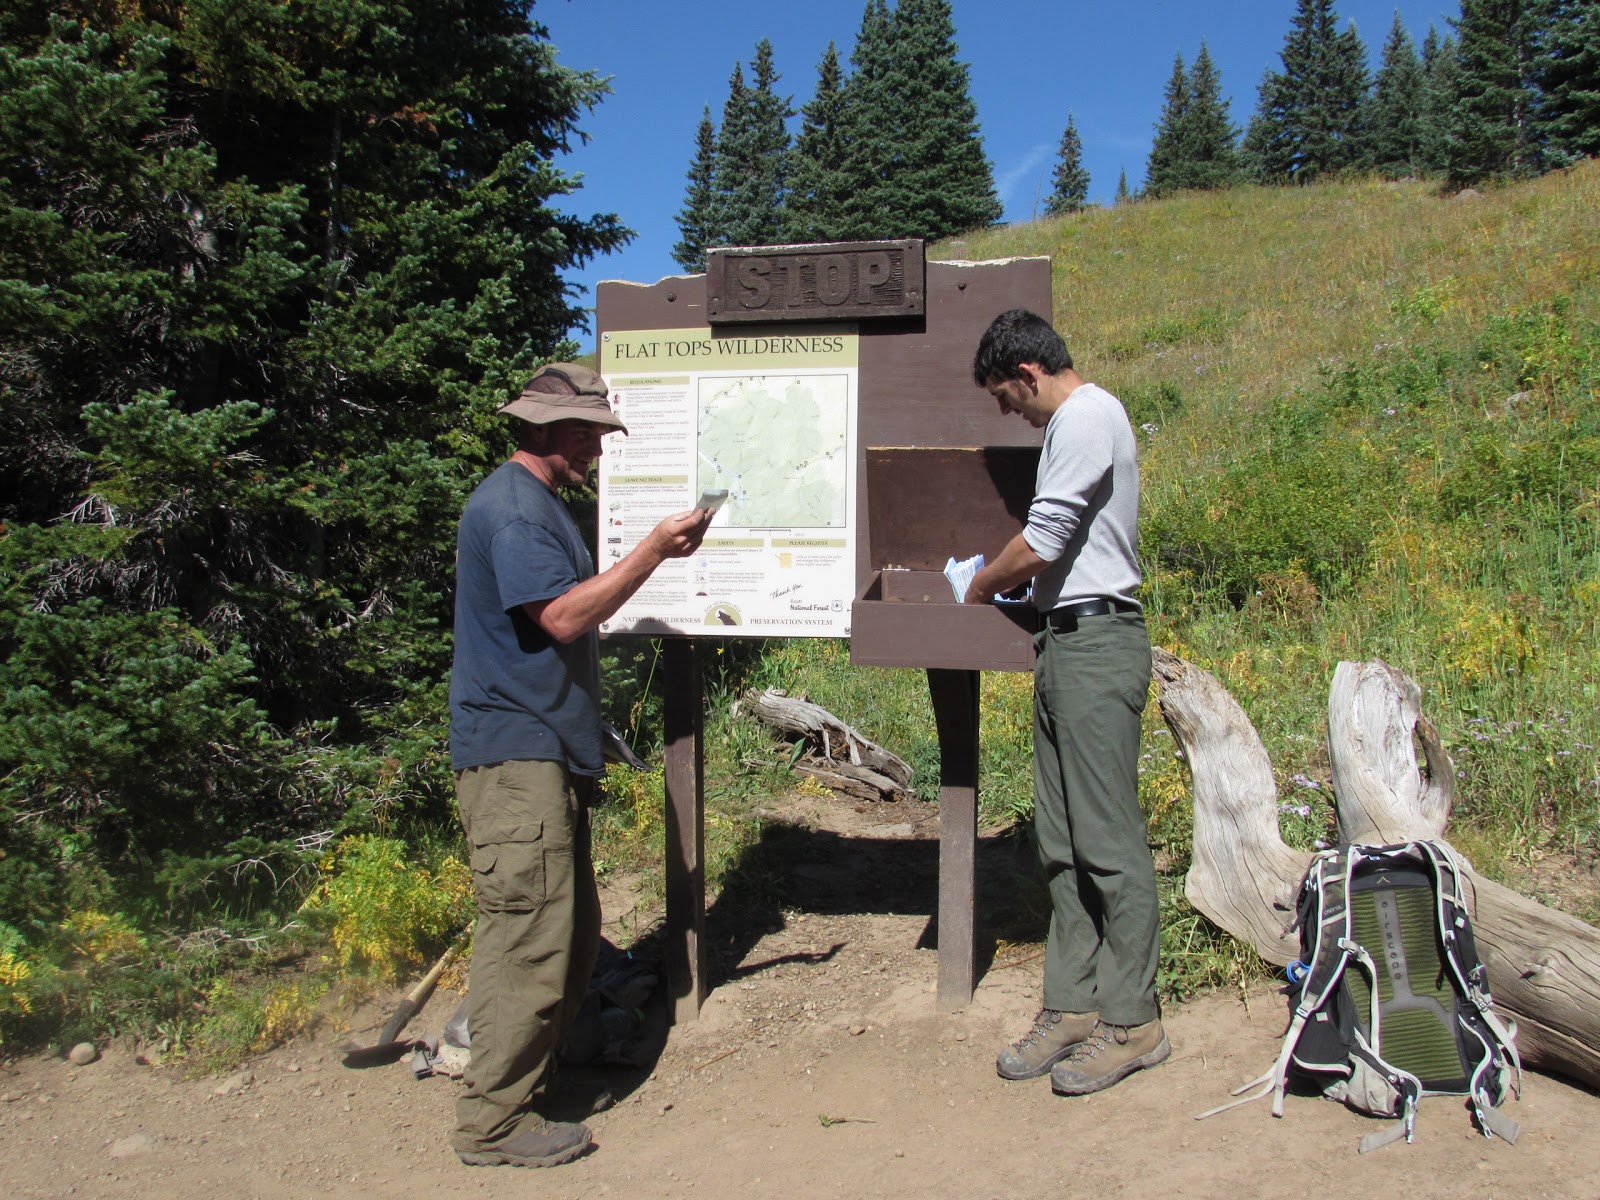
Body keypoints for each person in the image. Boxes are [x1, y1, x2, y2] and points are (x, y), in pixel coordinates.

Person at [448, 363, 711, 1167]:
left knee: (567, 931)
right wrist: (654, 553)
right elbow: (561, 617)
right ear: (556, 430)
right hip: (514, 759)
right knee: (529, 937)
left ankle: (532, 1080)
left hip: (540, 753)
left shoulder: (532, 504)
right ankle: (492, 1123)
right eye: (593, 433)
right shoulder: (515, 511)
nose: (601, 448)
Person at [961, 309, 1168, 1096]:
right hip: (1063, 642)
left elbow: (1045, 538)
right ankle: (1073, 1004)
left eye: (1004, 397)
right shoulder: (1069, 426)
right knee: (1062, 839)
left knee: (1108, 838)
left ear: (1028, 372)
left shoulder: (1088, 415)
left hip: (1096, 643)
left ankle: (1134, 1019)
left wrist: (981, 583)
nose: (1006, 412)